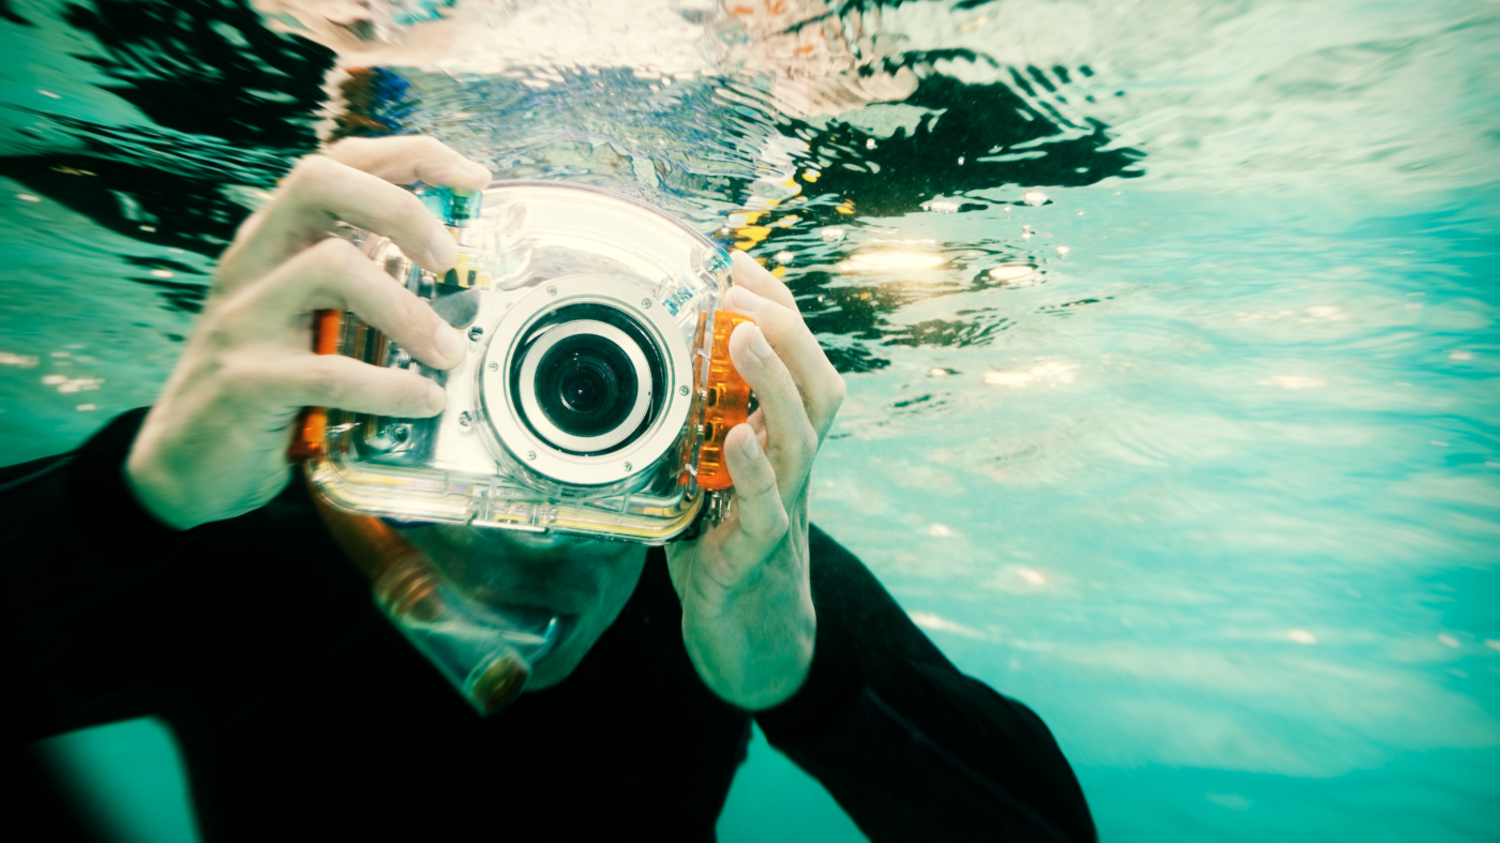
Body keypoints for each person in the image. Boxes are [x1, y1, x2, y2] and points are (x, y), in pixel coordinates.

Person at [2, 136, 1095, 842]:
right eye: (488, 377)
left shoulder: (717, 560)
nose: (532, 529)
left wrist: (799, 678)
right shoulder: (264, 527)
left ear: (683, 392)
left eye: (601, 400)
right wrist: (133, 496)